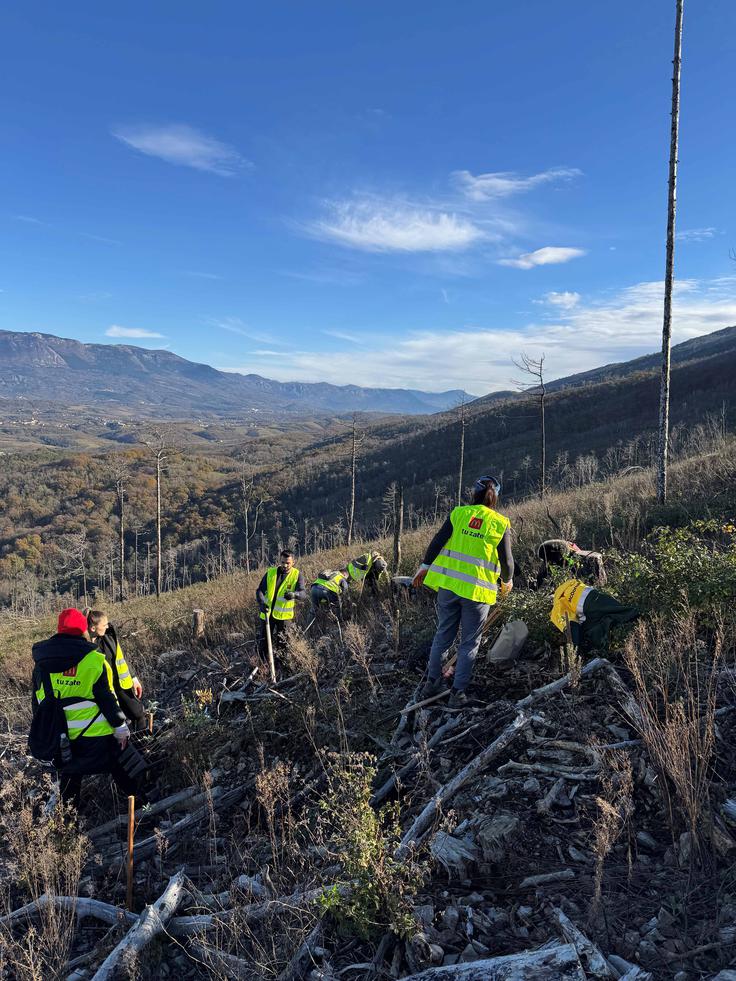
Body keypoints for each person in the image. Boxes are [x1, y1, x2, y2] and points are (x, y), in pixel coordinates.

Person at [413, 474, 514, 707]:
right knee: (469, 642)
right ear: (495, 497)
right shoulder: (500, 522)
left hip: (449, 587)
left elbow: (437, 542)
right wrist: (506, 582)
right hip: (477, 593)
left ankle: (432, 683)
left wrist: (424, 567)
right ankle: (457, 694)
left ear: (474, 494)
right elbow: (507, 562)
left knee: (443, 636)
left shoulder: (458, 514)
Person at [31, 608, 135, 810]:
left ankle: (69, 823)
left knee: (70, 778)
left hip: (62, 740)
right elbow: (106, 698)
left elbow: (38, 704)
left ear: (59, 630)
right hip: (97, 737)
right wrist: (120, 726)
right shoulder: (95, 660)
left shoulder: (41, 665)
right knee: (118, 765)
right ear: (83, 630)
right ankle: (140, 805)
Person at [85, 610, 146, 732]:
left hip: (119, 686)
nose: (107, 627)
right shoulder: (84, 647)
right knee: (114, 723)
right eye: (104, 625)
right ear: (93, 628)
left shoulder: (108, 638)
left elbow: (120, 658)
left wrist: (133, 678)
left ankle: (145, 745)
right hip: (102, 692)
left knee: (137, 713)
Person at [256, 550, 306, 658]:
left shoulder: (297, 575)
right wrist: (262, 602)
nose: (285, 565)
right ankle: (263, 666)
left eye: (288, 563)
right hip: (267, 614)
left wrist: (294, 594)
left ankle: (281, 667)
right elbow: (259, 590)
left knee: (283, 644)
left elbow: (303, 594)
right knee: (263, 642)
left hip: (284, 617)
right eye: (283, 562)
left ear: (293, 562)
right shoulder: (270, 573)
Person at [537, 540, 606, 588]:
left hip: (568, 551)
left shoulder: (571, 557)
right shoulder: (548, 555)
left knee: (577, 567)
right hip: (566, 550)